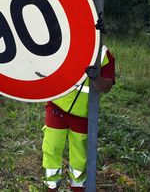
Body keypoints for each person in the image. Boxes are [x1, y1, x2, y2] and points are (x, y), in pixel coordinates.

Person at [42, 16, 116, 192]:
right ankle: (51, 186)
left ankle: (77, 187)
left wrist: (95, 78)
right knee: (51, 148)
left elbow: (106, 86)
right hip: (57, 107)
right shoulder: (60, 43)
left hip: (83, 114)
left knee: (79, 157)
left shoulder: (103, 54)